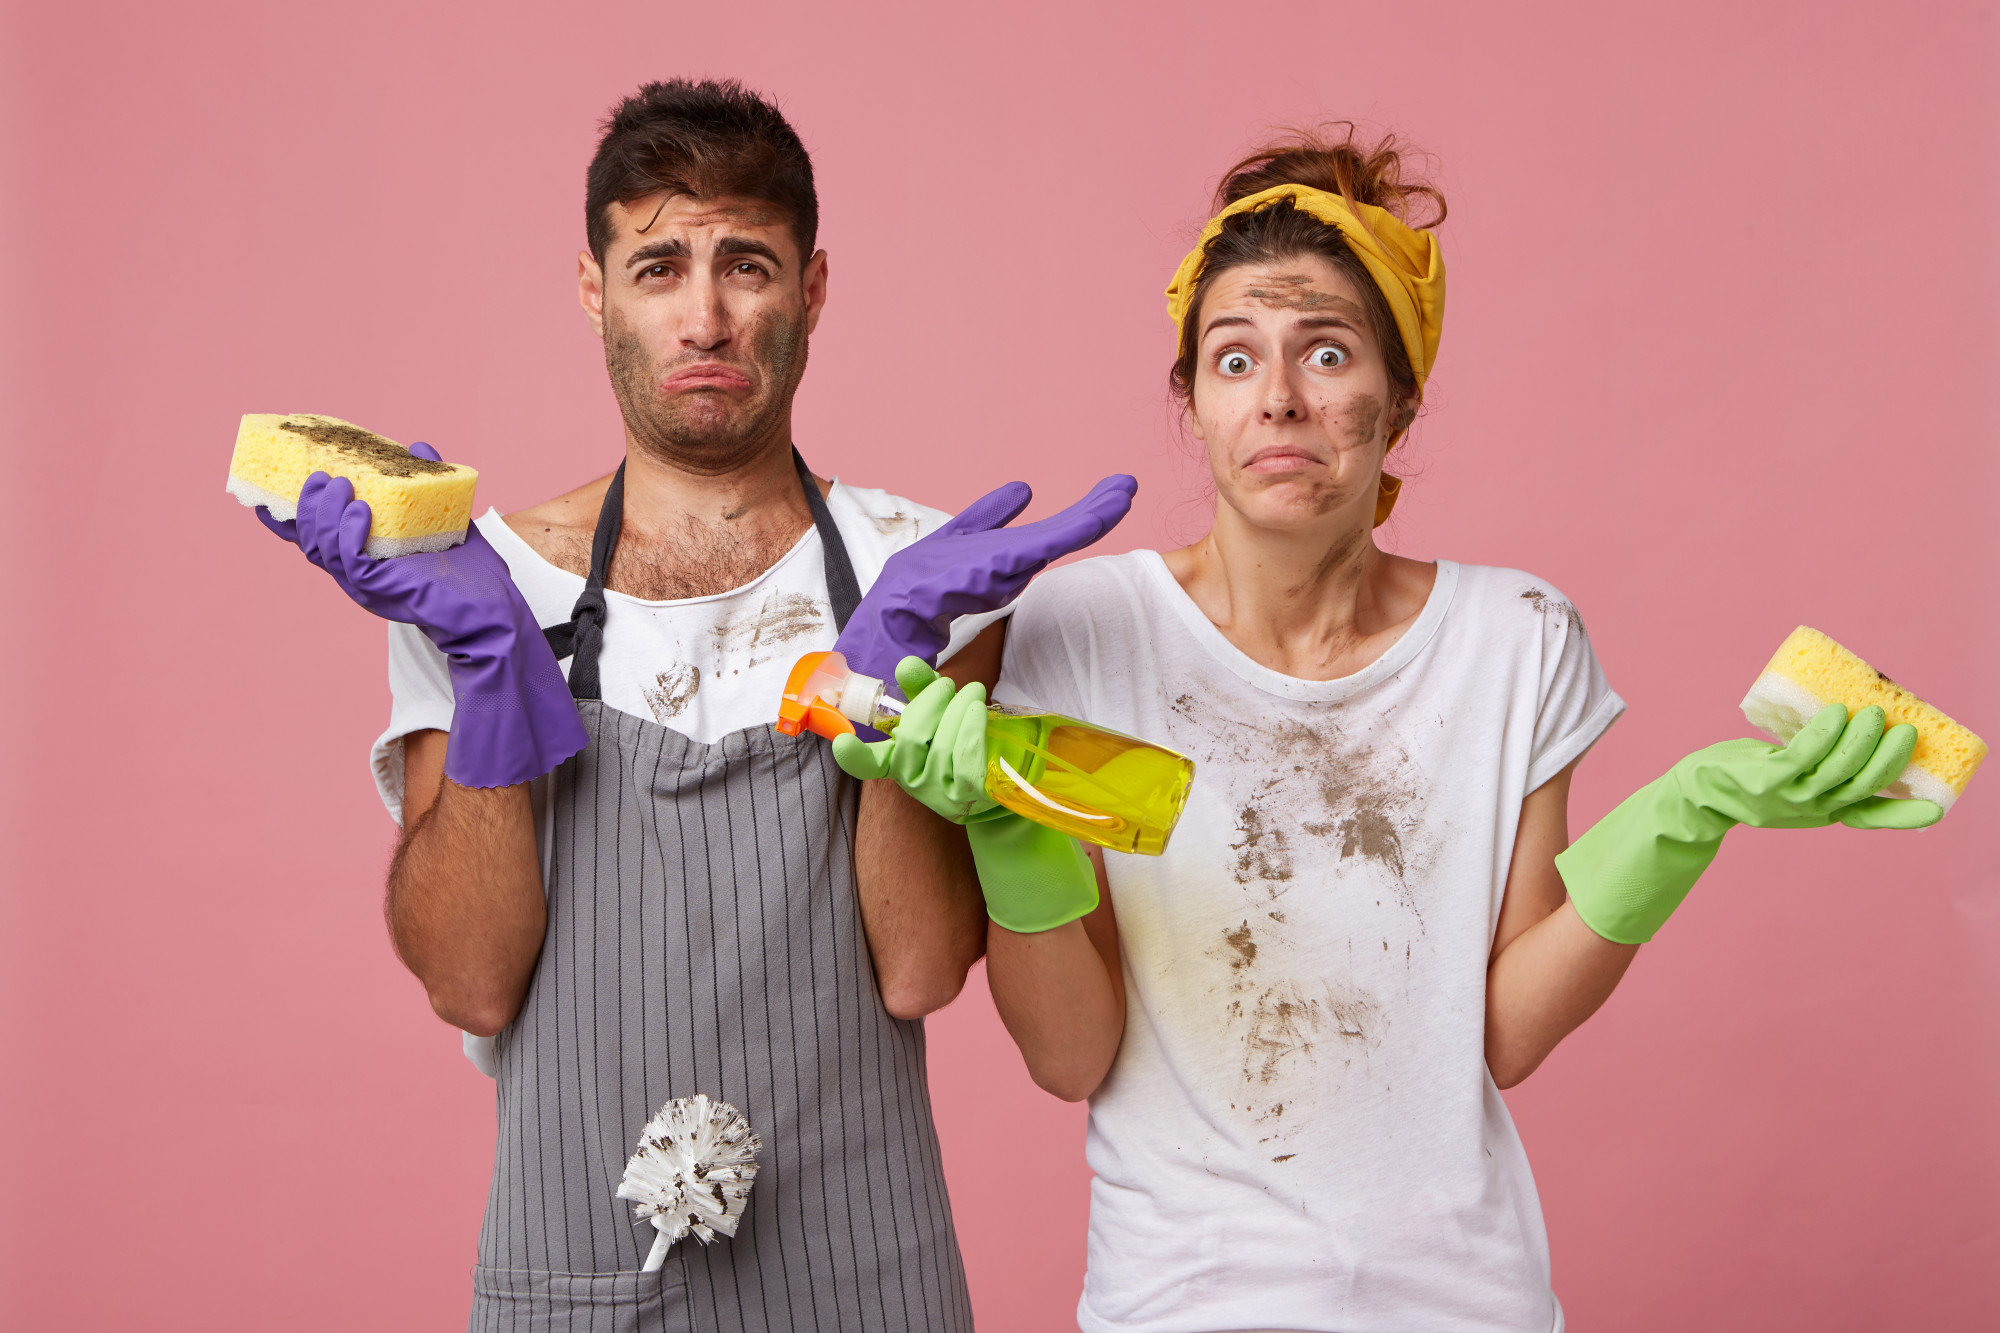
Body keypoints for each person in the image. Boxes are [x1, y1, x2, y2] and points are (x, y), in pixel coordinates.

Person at [838, 129, 1940, 1331]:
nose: (1279, 398)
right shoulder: (1082, 629)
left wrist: (1690, 813)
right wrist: (1010, 829)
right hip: (1182, 1301)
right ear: (1190, 401)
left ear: (1398, 395)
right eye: (1231, 358)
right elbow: (1070, 1058)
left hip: (1466, 1303)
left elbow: (1503, 1032)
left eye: (1325, 352)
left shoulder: (1515, 635)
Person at [255, 79, 1131, 1331]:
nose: (706, 316)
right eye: (658, 265)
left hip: (863, 1277)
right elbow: (472, 984)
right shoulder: (482, 580)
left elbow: (923, 968)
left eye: (747, 265)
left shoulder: (916, 573)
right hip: (576, 1276)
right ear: (593, 287)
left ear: (811, 289)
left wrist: (883, 667)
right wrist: (497, 664)